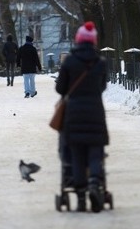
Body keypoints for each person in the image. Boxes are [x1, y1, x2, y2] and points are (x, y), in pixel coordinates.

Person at [55, 21, 108, 212]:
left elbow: (60, 88)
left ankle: (81, 196)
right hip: (95, 112)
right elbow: (102, 87)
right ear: (93, 41)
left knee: (76, 154)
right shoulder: (100, 62)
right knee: (95, 152)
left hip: (73, 113)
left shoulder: (69, 61)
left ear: (78, 40)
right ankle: (94, 182)